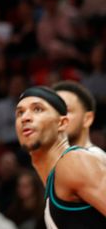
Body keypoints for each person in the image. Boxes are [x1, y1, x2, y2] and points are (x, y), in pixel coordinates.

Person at [14, 86, 106, 227]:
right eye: (20, 112)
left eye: (37, 109)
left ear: (62, 123)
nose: (25, 118)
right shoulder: (55, 178)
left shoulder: (74, 162)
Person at [53, 80, 106, 161]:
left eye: (65, 111)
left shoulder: (96, 159)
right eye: (53, 111)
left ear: (87, 119)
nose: (57, 117)